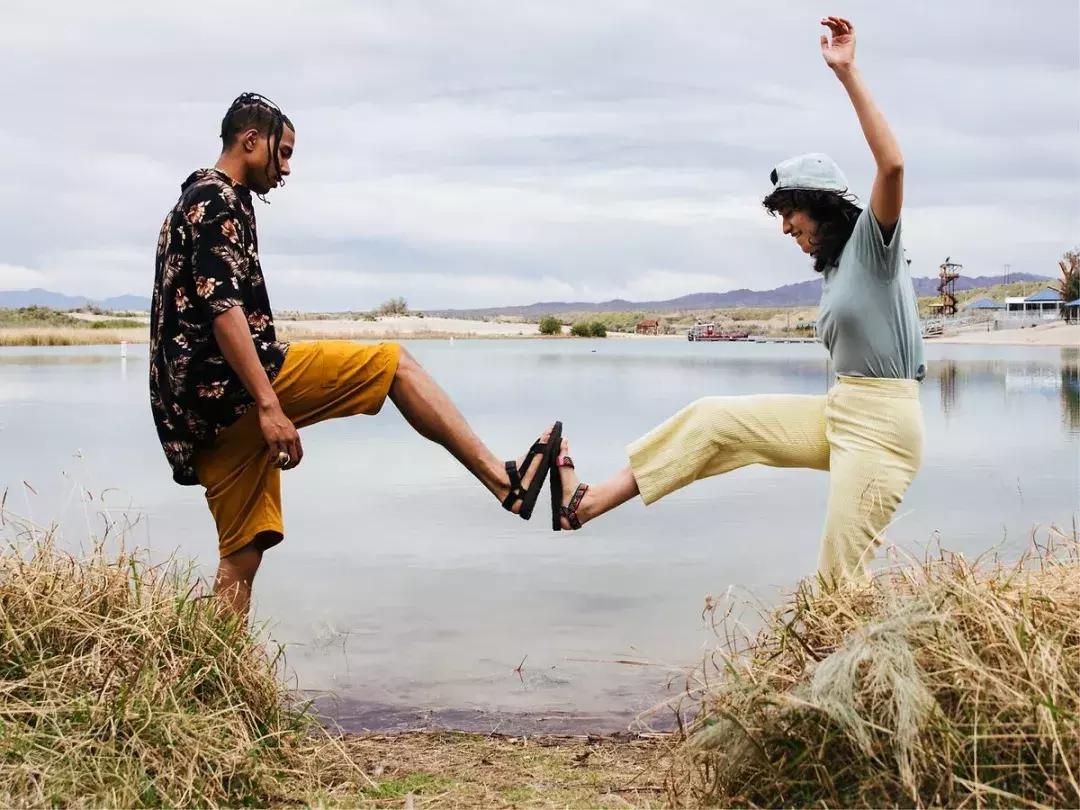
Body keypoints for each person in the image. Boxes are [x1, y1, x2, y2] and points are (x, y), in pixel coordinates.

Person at [150, 93, 559, 618]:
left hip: (196, 414)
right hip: (231, 389)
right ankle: (507, 485)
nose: (288, 168)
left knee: (241, 553)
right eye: (284, 152)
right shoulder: (216, 198)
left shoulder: (192, 200)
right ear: (251, 141)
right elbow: (221, 307)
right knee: (394, 365)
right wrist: (270, 406)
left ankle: (208, 679)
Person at [549, 17, 925, 585]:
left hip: (883, 426)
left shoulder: (876, 246)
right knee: (714, 420)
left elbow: (892, 165)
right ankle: (587, 502)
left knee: (838, 582)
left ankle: (856, 664)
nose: (784, 229)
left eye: (789, 214)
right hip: (843, 412)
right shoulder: (836, 269)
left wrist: (847, 74)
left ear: (817, 204)